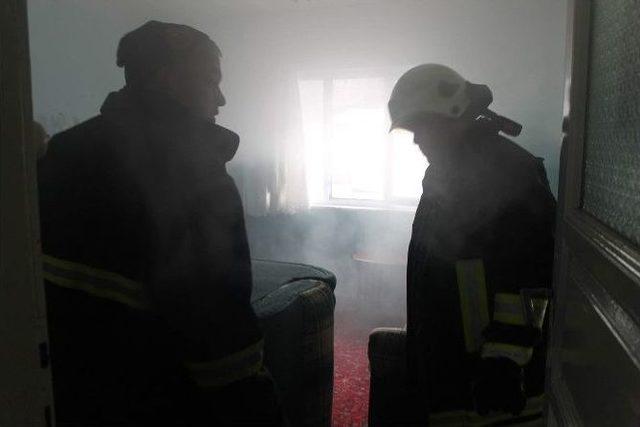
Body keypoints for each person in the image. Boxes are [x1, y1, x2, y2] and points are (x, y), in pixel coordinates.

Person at [38, 21, 281, 426]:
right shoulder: (195, 173)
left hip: (71, 396)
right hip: (160, 399)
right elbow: (219, 335)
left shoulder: (59, 151)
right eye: (210, 80)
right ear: (166, 78)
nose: (221, 97)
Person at [388, 64, 556, 425]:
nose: (416, 140)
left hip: (496, 379)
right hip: (454, 367)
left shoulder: (509, 169)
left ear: (451, 115)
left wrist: (505, 358)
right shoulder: (446, 170)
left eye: (422, 127)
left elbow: (535, 268)